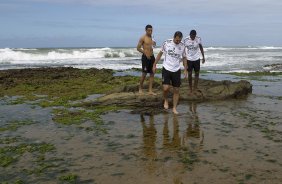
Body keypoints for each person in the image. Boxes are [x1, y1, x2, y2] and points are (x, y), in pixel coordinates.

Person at [153, 31, 187, 114]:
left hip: (176, 70)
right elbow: (160, 54)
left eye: (179, 40)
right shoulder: (166, 43)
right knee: (165, 88)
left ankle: (174, 108)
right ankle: (166, 100)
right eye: (177, 40)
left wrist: (185, 69)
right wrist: (154, 64)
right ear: (174, 37)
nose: (178, 42)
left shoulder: (182, 46)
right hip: (166, 68)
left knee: (176, 90)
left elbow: (184, 58)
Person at [183, 30, 205, 94]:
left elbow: (201, 48)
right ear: (189, 35)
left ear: (195, 35)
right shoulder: (186, 40)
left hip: (197, 59)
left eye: (194, 36)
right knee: (189, 74)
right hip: (189, 59)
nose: (192, 37)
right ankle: (190, 89)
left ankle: (195, 88)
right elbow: (183, 50)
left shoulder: (198, 39)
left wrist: (203, 57)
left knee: (197, 74)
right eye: (191, 36)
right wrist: (183, 60)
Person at [137, 24, 156, 95]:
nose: (150, 32)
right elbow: (138, 48)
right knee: (144, 74)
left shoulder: (152, 37)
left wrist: (154, 43)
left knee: (152, 73)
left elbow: (153, 46)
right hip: (145, 57)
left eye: (151, 30)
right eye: (149, 30)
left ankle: (150, 90)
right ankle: (140, 88)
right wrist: (145, 53)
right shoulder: (143, 38)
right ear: (146, 30)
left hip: (152, 57)